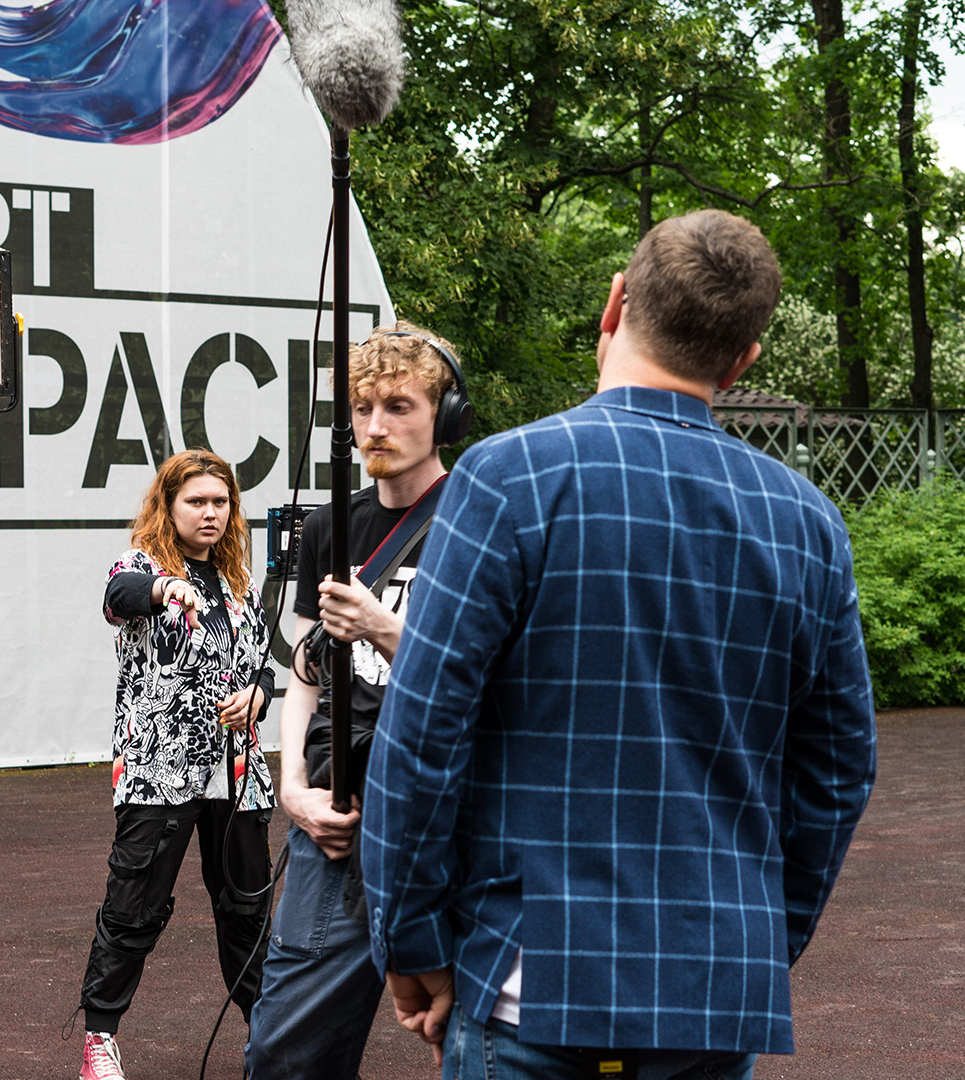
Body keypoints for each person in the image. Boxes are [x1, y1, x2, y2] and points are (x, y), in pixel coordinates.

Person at [362, 209, 878, 1078]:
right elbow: (838, 772)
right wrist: (758, 939)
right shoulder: (808, 523)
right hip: (715, 991)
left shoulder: (510, 478)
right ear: (743, 359)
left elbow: (422, 732)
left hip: (529, 977)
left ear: (614, 305)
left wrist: (411, 938)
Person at [246, 322, 468, 1079]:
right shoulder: (328, 526)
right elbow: (305, 674)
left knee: (472, 1041)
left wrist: (382, 627)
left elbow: (486, 683)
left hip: (446, 820)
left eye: (400, 406)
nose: (376, 427)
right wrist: (292, 789)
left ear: (447, 415)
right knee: (285, 1052)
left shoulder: (480, 520)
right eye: (363, 407)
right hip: (336, 821)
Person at [75, 449, 277, 1080]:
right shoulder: (140, 564)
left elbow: (264, 665)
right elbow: (118, 597)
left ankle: (268, 1040)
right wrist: (164, 588)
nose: (210, 513)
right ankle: (99, 1040)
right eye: (196, 501)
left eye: (220, 502)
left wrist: (259, 695)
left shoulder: (240, 582)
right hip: (159, 770)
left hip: (237, 775)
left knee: (247, 912)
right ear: (168, 506)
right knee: (134, 906)